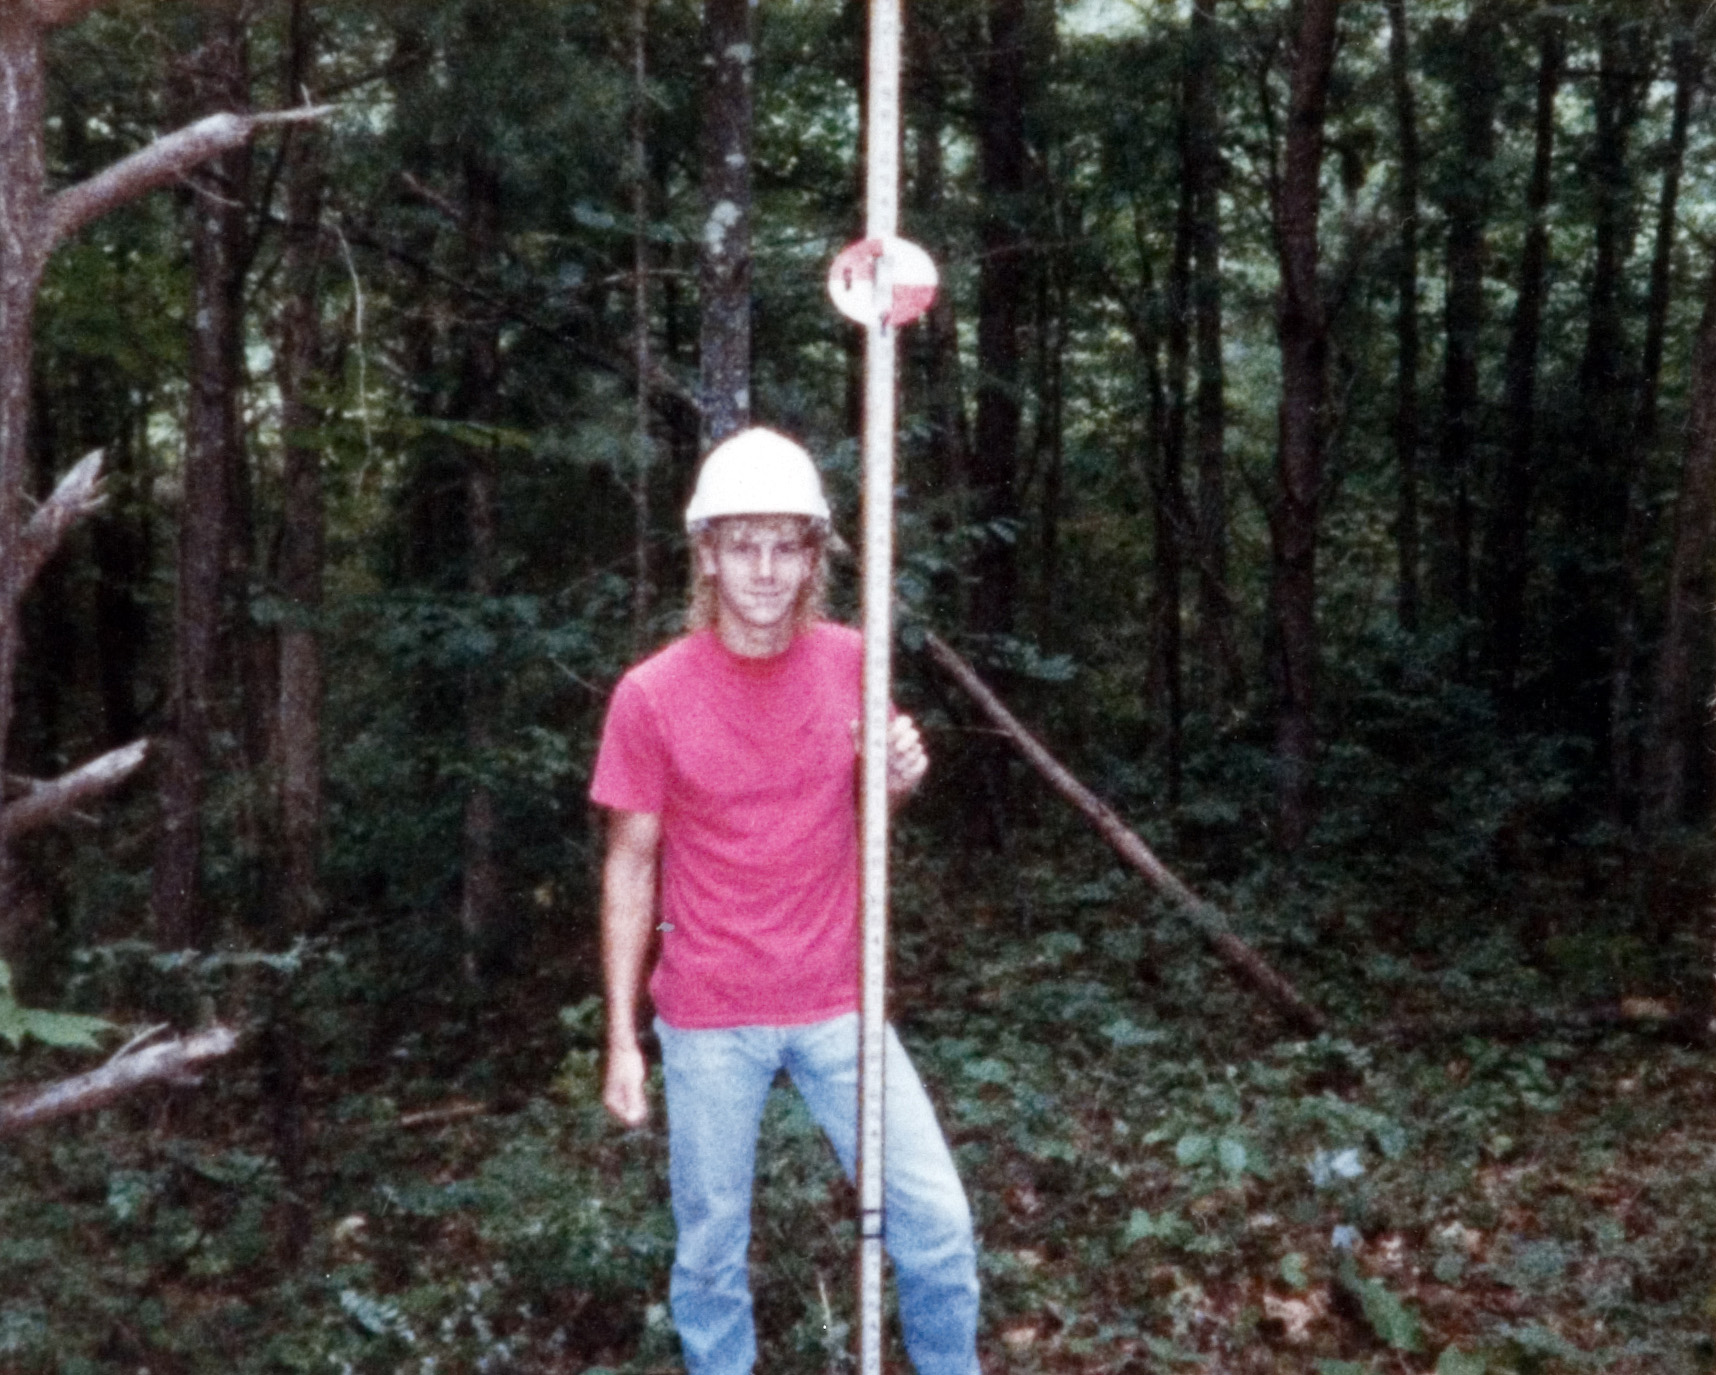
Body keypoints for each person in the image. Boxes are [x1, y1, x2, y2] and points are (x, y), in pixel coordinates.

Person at [591, 426, 980, 1375]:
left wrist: (896, 778)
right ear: (709, 555)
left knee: (936, 1226)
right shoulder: (651, 695)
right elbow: (630, 864)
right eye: (743, 543)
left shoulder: (858, 660)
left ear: (815, 557)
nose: (765, 568)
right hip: (709, 1014)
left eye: (787, 544)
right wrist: (620, 1036)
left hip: (839, 1000)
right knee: (711, 1258)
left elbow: (872, 801)